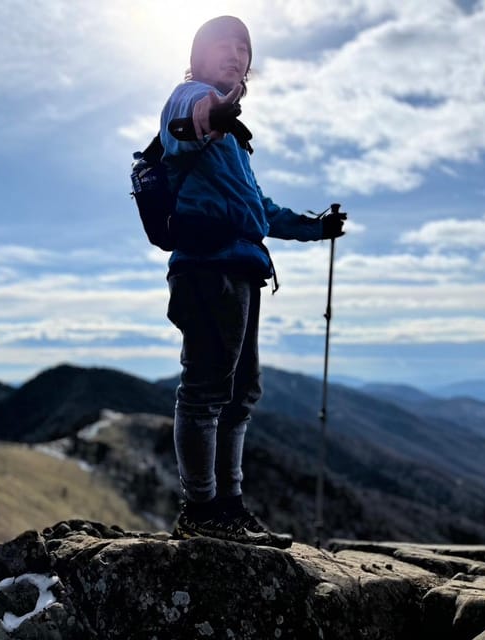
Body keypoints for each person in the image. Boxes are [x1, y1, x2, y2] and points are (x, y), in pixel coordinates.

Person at [161, 16, 346, 547]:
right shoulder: (189, 97)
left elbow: (259, 209)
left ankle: (229, 507)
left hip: (240, 268)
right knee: (206, 390)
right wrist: (211, 112)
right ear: (196, 57)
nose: (235, 52)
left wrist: (315, 229)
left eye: (243, 47)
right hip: (205, 268)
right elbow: (186, 120)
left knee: (241, 393)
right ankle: (201, 510)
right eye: (222, 44)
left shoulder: (235, 140)